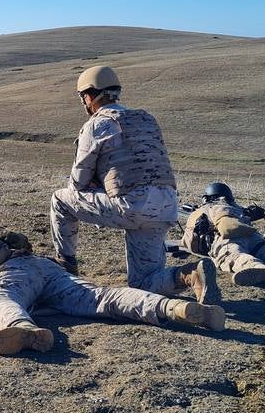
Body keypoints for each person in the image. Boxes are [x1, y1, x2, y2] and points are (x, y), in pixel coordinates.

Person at [49, 65, 219, 303]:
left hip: (131, 205)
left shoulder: (97, 124)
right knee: (142, 283)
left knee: (60, 200)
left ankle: (65, 268)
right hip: (166, 207)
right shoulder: (146, 118)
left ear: (88, 95)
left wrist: (98, 186)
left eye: (83, 98)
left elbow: (78, 182)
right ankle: (189, 275)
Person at [0, 228, 225, 355]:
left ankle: (22, 327)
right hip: (47, 267)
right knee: (104, 297)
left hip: (12, 272)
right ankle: (173, 308)